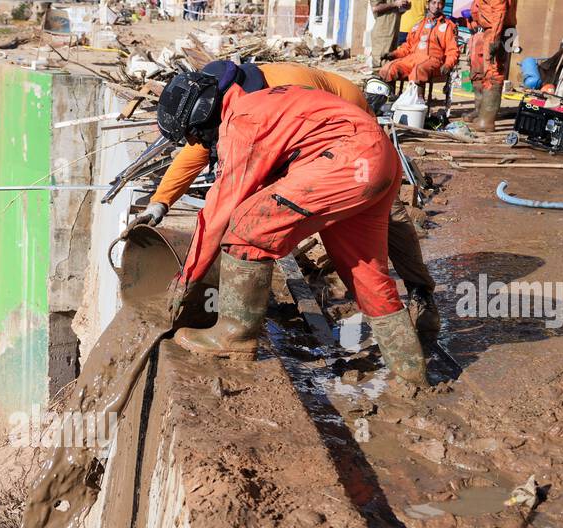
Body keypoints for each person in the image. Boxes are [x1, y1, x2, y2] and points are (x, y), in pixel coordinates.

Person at [153, 72, 428, 383]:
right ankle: (412, 375)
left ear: (202, 120)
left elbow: (220, 209)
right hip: (377, 160)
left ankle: (234, 337)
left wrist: (186, 278)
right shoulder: (262, 101)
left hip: (347, 162)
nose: (196, 145)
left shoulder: (242, 122)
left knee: (247, 229)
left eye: (193, 137)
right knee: (365, 273)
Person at [378, 0, 459, 96]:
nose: (437, 6)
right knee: (388, 69)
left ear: (443, 6)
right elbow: (407, 47)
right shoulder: (418, 25)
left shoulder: (447, 26)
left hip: (433, 61)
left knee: (418, 71)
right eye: (433, 3)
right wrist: (393, 54)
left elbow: (452, 50)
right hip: (412, 58)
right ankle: (388, 103)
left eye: (440, 3)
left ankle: (417, 105)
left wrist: (448, 65)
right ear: (428, 4)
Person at [468, 0, 517, 131]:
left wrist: (495, 37)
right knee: (491, 71)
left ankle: (487, 121)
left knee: (493, 72)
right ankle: (483, 115)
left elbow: (499, 11)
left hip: (497, 29)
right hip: (499, 28)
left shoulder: (498, 27)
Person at [370, 0, 411, 66]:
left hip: (394, 33)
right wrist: (395, 4)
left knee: (390, 62)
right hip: (382, 34)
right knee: (380, 62)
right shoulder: (393, 3)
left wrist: (404, 6)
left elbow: (395, 11)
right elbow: (375, 8)